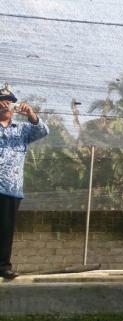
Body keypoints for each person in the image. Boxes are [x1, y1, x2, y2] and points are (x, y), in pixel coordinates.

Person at [0, 83, 49, 280]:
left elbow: (43, 130)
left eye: (10, 102)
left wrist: (31, 114)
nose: (5, 105)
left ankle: (2, 266)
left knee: (5, 230)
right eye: (2, 102)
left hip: (11, 188)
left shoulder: (22, 130)